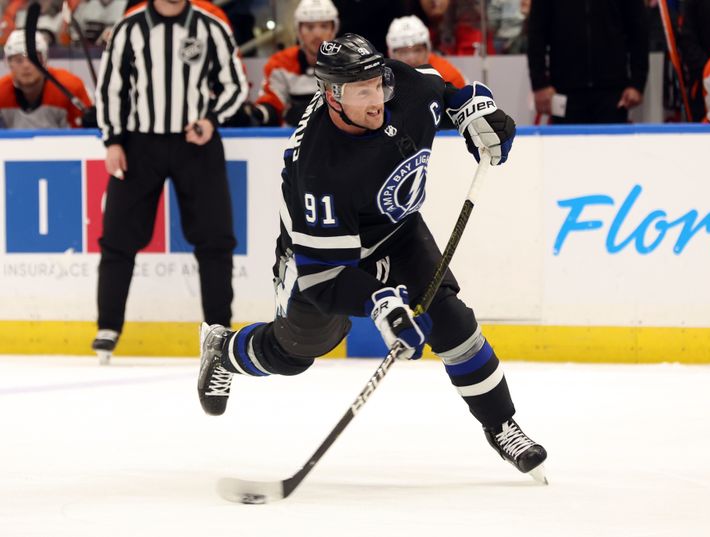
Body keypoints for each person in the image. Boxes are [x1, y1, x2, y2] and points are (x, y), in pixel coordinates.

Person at [196, 33, 548, 478]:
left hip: (398, 233)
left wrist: (478, 113)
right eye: (361, 92)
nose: (376, 99)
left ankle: (502, 426)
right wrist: (382, 304)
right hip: (323, 253)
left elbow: (451, 92)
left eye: (377, 84)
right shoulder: (319, 167)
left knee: (452, 321)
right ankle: (223, 350)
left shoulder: (404, 88)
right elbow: (324, 281)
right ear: (332, 96)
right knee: (297, 350)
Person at [92, 0, 248, 364]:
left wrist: (211, 119)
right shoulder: (129, 28)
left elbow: (234, 84)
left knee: (215, 238)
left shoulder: (211, 27)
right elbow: (111, 88)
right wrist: (113, 140)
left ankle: (218, 329)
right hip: (138, 143)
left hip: (196, 142)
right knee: (117, 236)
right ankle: (108, 326)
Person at [527, 0, 649, 124]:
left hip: (613, 92)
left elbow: (638, 31)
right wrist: (539, 84)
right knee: (568, 143)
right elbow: (536, 32)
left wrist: (637, 84)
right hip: (565, 90)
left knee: (612, 143)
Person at [250, 0, 339, 127]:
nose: (317, 34)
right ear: (299, 32)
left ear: (333, 30)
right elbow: (272, 104)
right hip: (292, 139)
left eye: (324, 26)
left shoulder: (349, 64)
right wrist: (259, 114)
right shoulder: (280, 64)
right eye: (309, 27)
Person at [0, 29, 93, 128]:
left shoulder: (71, 86)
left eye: (34, 59)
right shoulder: (1, 91)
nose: (26, 66)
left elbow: (84, 134)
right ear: (8, 63)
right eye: (19, 60)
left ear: (45, 60)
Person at [386, 14, 466, 88]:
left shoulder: (447, 75)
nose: (412, 58)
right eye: (403, 52)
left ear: (428, 50)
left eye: (417, 50)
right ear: (391, 54)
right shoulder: (382, 80)